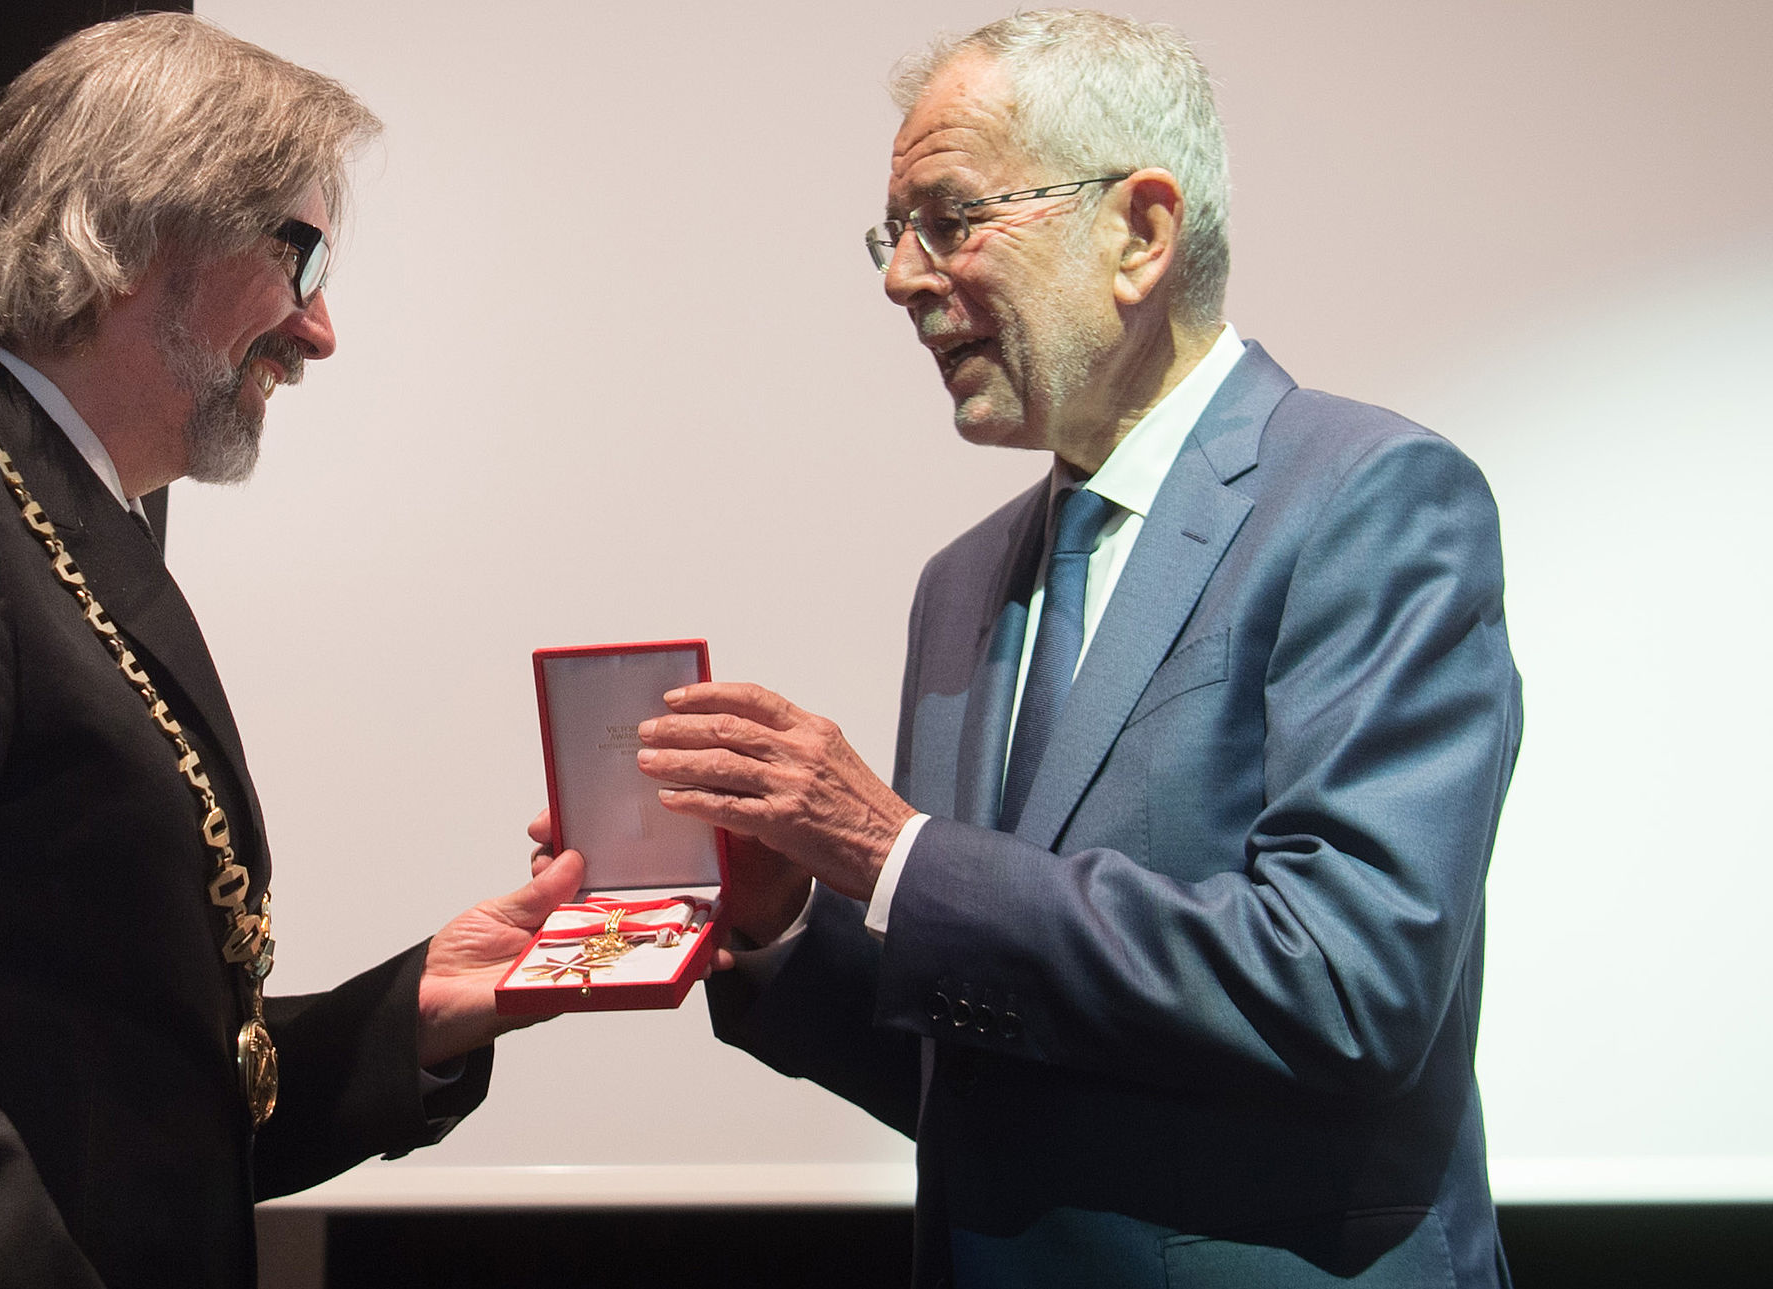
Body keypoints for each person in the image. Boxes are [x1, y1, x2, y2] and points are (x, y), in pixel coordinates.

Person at [628, 11, 1522, 1287]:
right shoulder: (959, 583)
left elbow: (1345, 983)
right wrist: (783, 924)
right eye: (893, 235)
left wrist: (893, 854)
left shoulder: (1367, 499)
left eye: (949, 218)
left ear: (1139, 232)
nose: (900, 278)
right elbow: (983, 1071)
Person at [0, 15, 581, 1287]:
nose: (319, 330)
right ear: (139, 228)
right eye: (299, 257)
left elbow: (114, 1091)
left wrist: (412, 1013)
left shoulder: (46, 504)